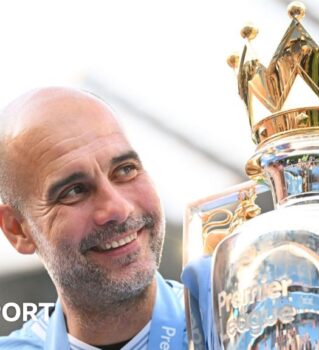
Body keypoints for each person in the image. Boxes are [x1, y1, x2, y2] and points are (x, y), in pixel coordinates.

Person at [0, 87, 187, 349]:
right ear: (17, 230)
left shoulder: (239, 325)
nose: (118, 208)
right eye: (75, 190)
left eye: (125, 170)